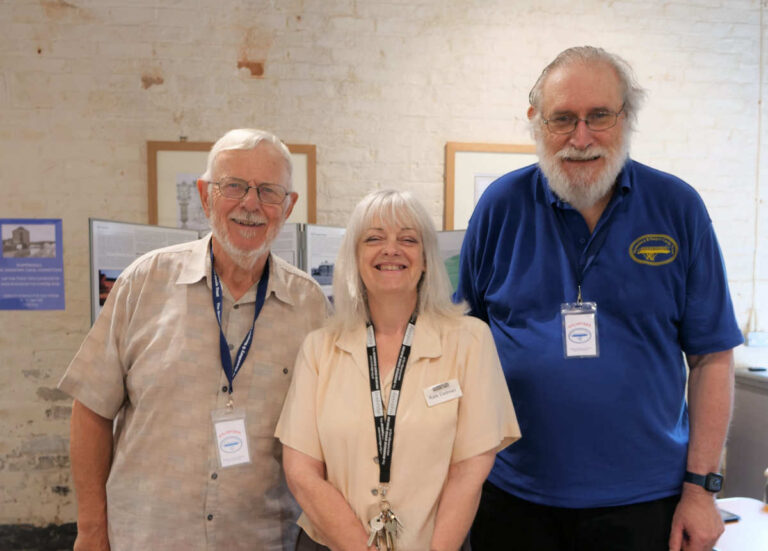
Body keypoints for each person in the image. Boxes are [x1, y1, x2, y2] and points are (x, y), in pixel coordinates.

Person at [457, 46, 744, 551]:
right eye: (563, 118)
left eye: (599, 116)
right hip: (513, 496)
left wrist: (702, 490)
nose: (581, 137)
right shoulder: (500, 207)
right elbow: (462, 345)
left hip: (645, 502)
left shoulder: (678, 208)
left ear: (626, 118)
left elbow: (712, 358)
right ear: (536, 121)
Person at [59, 128, 329, 550]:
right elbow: (92, 409)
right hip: (147, 538)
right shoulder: (144, 283)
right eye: (233, 186)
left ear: (288, 205)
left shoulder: (311, 307)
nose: (250, 204)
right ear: (205, 196)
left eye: (268, 191)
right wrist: (91, 529)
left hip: (260, 540)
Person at [275, 190, 520, 551]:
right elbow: (301, 472)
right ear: (354, 257)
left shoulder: (470, 341)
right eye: (374, 238)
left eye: (407, 239)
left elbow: (469, 469)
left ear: (426, 259)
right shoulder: (320, 348)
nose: (391, 249)